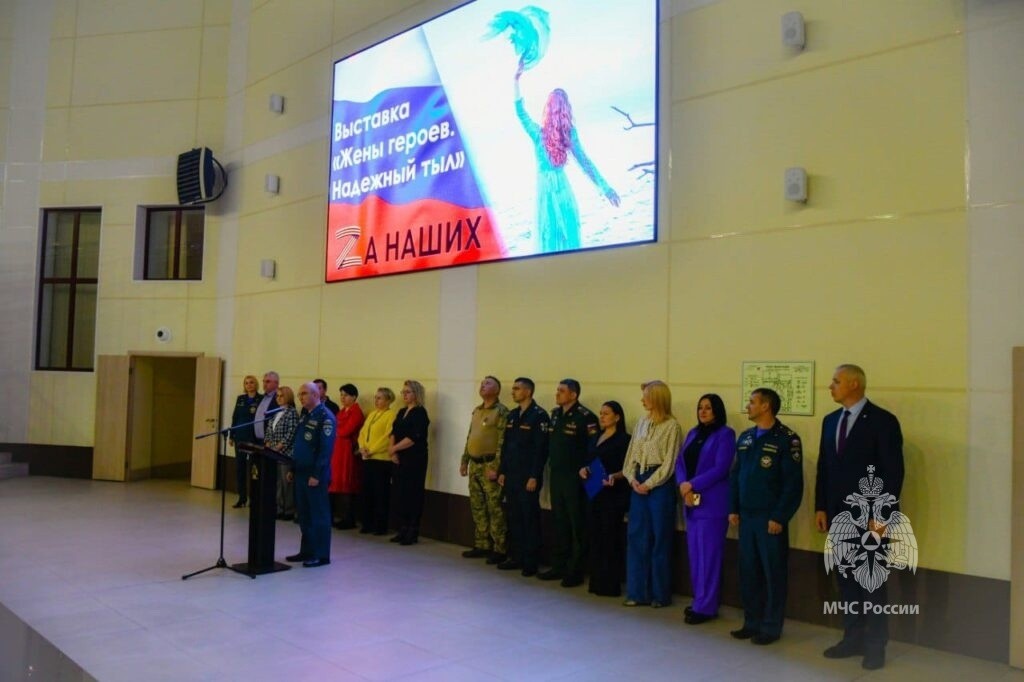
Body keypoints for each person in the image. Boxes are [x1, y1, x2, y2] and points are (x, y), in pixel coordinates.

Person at [816, 364, 904, 671]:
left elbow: (892, 473)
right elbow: (824, 467)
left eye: (836, 381)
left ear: (854, 384)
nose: (831, 386)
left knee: (872, 584)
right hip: (839, 517)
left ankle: (875, 645)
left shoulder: (882, 421)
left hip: (870, 518)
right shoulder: (830, 421)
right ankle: (852, 638)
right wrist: (821, 507)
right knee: (846, 581)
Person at [513, 59, 619, 253]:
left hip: (546, 198)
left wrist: (516, 81)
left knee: (548, 248)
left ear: (548, 108)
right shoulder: (568, 134)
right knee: (570, 246)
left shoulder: (538, 134)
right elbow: (586, 163)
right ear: (566, 110)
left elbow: (520, 112)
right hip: (564, 195)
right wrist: (606, 189)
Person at [729, 388, 804, 645]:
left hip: (769, 518)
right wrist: (733, 508)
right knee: (749, 572)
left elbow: (793, 484)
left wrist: (780, 517)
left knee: (773, 573)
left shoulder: (787, 439)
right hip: (747, 517)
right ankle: (752, 622)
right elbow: (735, 475)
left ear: (766, 406)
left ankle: (771, 627)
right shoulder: (746, 437)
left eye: (752, 402)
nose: (747, 406)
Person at [622, 381, 683, 608]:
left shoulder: (672, 426)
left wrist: (649, 483)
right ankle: (637, 592)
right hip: (638, 480)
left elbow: (670, 462)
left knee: (660, 539)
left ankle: (660, 594)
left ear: (657, 398)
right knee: (637, 537)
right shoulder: (641, 423)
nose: (642, 400)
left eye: (646, 396)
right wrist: (632, 478)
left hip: (659, 485)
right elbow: (631, 456)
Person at [676, 394, 736, 624]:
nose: (703, 411)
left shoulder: (725, 434)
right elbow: (680, 463)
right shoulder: (693, 433)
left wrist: (692, 484)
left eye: (708, 408)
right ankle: (699, 601)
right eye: (700, 407)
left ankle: (707, 607)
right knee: (696, 556)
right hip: (690, 501)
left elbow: (721, 468)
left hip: (712, 504)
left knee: (709, 558)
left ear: (717, 411)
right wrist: (683, 485)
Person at [539, 378, 598, 587]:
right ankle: (559, 566)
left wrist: (585, 470)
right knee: (559, 521)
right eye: (557, 390)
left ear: (573, 394)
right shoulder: (555, 415)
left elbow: (593, 448)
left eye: (562, 391)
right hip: (557, 475)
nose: (557, 394)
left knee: (576, 524)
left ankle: (575, 570)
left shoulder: (586, 417)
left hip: (575, 478)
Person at [496, 377, 549, 576]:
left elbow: (540, 450)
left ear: (528, 392)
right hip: (512, 475)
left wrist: (534, 475)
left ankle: (530, 561)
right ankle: (516, 556)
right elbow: (506, 446)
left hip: (528, 476)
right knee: (514, 517)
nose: (513, 392)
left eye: (517, 389)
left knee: (529, 518)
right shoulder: (512, 415)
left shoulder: (539, 415)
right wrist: (502, 471)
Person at [578, 400, 631, 597]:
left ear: (617, 417)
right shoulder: (595, 437)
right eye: (600, 413)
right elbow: (588, 460)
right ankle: (597, 580)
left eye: (606, 413)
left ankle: (610, 583)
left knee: (610, 537)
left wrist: (614, 476)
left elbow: (628, 468)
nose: (602, 417)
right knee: (595, 536)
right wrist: (583, 469)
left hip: (612, 494)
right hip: (594, 492)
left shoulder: (624, 440)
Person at [285, 382, 336, 568]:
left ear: (316, 395)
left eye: (304, 394)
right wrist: (292, 469)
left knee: (318, 515)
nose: (301, 397)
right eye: (299, 394)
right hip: (301, 472)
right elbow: (300, 446)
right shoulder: (305, 415)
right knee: (305, 515)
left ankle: (321, 555)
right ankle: (307, 550)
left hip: (315, 474)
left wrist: (317, 474)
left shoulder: (325, 417)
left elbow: (325, 450)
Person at [460, 376, 510, 564]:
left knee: (494, 508)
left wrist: (496, 467)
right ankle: (482, 544)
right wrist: (464, 460)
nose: (482, 385)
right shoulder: (477, 410)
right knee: (478, 506)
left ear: (497, 390)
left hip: (489, 465)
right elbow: (470, 436)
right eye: (482, 383)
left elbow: (503, 442)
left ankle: (499, 548)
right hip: (474, 465)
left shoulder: (501, 411)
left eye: (487, 383)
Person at [389, 380, 430, 546]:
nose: (404, 395)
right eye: (403, 392)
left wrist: (395, 448)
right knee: (400, 492)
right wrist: (392, 450)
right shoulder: (401, 411)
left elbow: (414, 437)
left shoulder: (420, 413)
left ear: (416, 394)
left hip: (414, 458)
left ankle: (412, 530)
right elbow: (393, 432)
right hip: (399, 457)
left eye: (408, 392)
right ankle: (403, 527)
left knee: (413, 493)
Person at [357, 388, 397, 535]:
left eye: (380, 398)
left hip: (381, 460)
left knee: (380, 493)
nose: (376, 400)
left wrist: (372, 450)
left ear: (388, 400)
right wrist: (362, 447)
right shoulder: (372, 414)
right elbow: (362, 433)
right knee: (367, 492)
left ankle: (380, 526)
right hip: (367, 458)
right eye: (376, 397)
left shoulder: (391, 415)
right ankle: (367, 523)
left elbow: (387, 437)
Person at [328, 383, 365, 530]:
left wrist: (337, 430)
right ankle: (337, 515)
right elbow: (332, 427)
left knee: (346, 483)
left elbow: (345, 431)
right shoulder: (342, 411)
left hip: (347, 452)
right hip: (336, 452)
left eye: (346, 395)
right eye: (341, 395)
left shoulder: (356, 412)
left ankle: (348, 518)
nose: (342, 398)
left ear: (354, 397)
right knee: (335, 483)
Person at [263, 386, 299, 521]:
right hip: (273, 452)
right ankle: (279, 507)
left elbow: (292, 432)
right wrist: (267, 443)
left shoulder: (292, 413)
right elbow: (269, 429)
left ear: (288, 397)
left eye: (281, 396)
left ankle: (289, 510)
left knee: (286, 483)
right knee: (277, 483)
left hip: (285, 453)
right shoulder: (276, 411)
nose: (278, 398)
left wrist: (279, 446)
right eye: (277, 396)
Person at [228, 375, 261, 508]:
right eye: (246, 383)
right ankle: (242, 498)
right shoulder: (240, 399)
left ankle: (254, 498)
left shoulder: (261, 399)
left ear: (256, 384)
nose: (249, 385)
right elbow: (235, 417)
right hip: (240, 437)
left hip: (253, 438)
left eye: (251, 382)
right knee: (240, 468)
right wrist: (231, 435)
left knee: (253, 470)